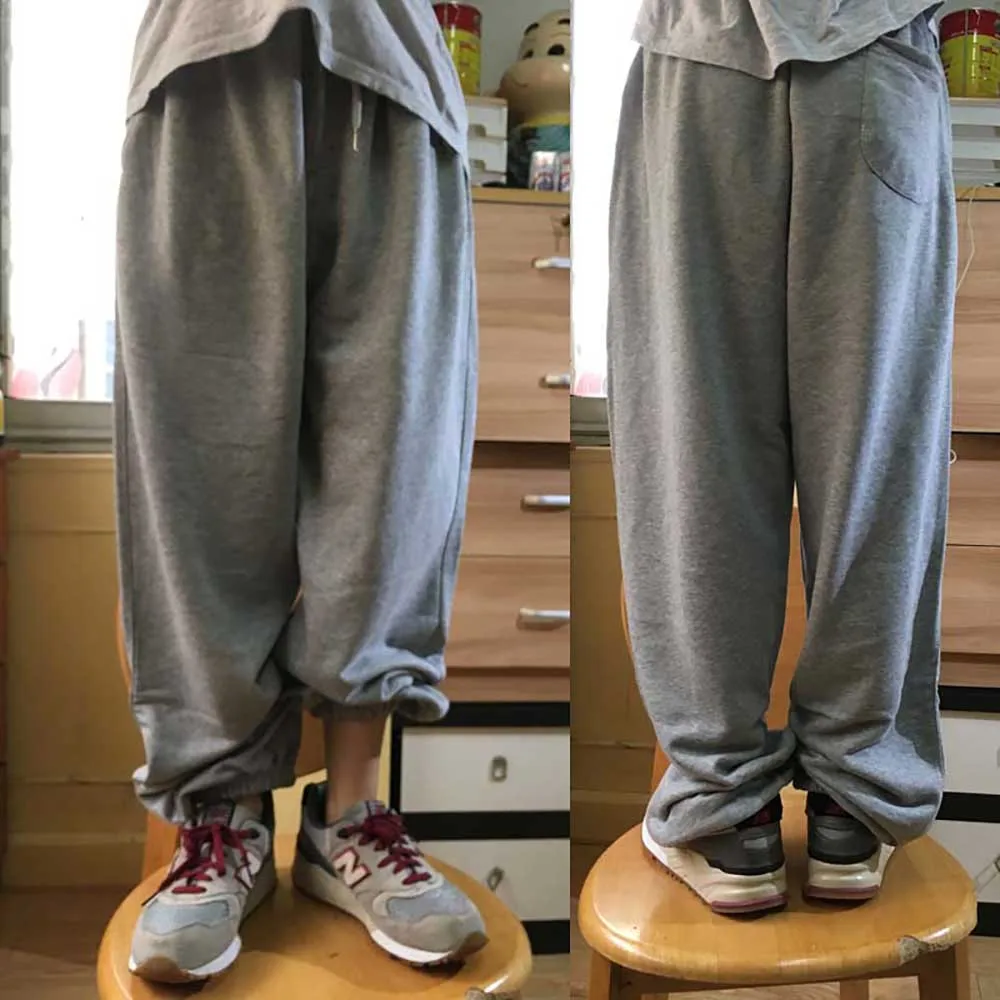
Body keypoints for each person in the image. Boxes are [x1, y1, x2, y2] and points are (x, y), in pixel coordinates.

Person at [114, 0, 482, 982]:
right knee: (199, 481)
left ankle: (348, 817)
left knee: (392, 476)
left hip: (396, 72)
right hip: (205, 60)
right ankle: (222, 821)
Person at [607, 0, 954, 914]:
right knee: (876, 456)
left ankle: (727, 809)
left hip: (705, 52)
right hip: (874, 55)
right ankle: (852, 795)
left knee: (696, 452)